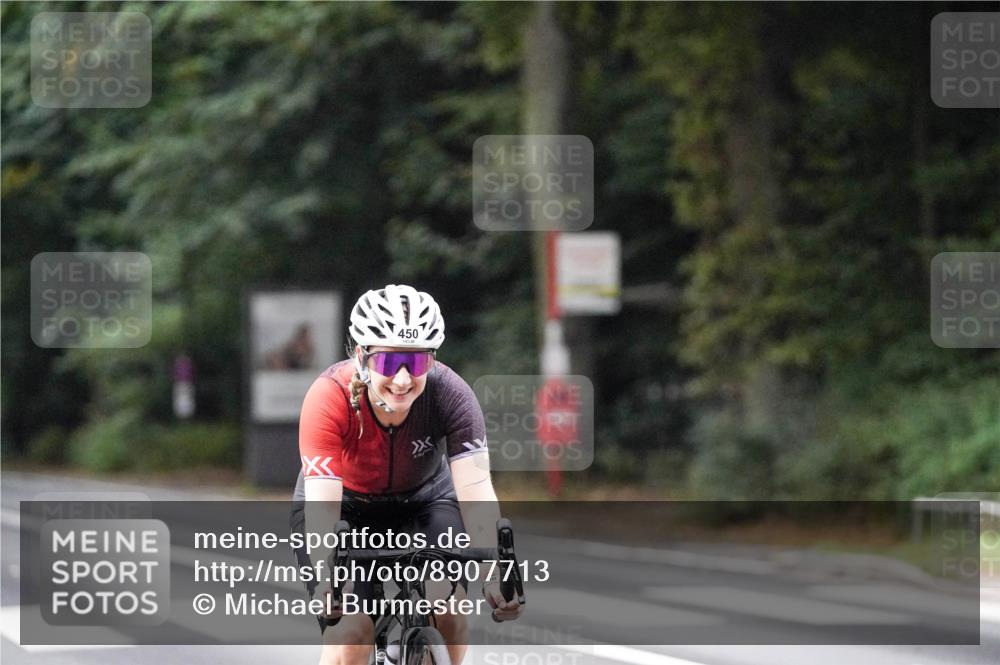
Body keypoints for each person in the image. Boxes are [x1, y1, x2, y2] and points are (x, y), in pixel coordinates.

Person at [290, 284, 522, 665]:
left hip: (425, 501)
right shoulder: (328, 397)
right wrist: (326, 574)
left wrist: (494, 571)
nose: (402, 380)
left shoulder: (452, 394)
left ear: (432, 361)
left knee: (450, 610)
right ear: (362, 356)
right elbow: (324, 506)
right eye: (388, 363)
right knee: (350, 635)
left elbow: (476, 488)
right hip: (344, 510)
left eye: (416, 364)